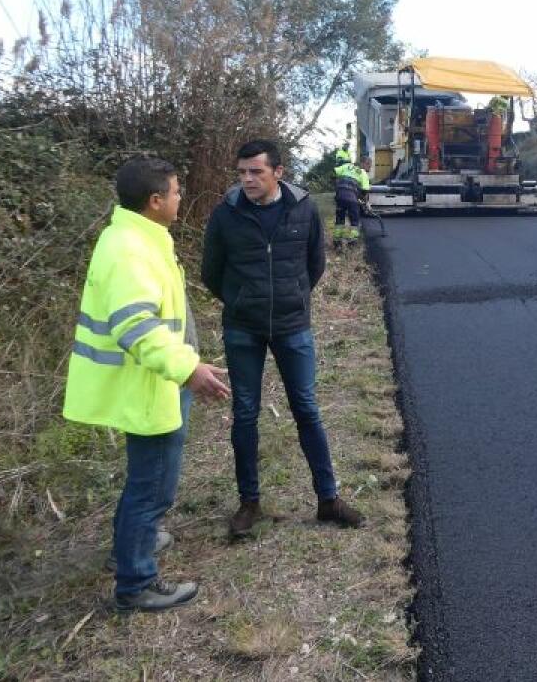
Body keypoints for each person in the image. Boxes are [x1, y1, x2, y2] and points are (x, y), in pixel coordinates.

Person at [63, 156, 231, 613]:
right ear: (155, 201)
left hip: (159, 376)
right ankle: (135, 581)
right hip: (150, 383)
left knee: (146, 479)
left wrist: (188, 359)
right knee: (153, 485)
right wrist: (189, 370)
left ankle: (131, 545)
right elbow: (136, 327)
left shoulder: (141, 237)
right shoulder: (130, 249)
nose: (181, 199)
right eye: (176, 192)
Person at [201, 139, 364, 538]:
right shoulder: (226, 214)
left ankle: (328, 500)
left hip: (293, 327)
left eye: (255, 171)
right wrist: (242, 300)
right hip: (243, 328)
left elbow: (315, 263)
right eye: (241, 172)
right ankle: (249, 503)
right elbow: (211, 272)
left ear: (279, 172)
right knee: (245, 413)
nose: (247, 180)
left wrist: (293, 296)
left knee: (307, 409)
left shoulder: (303, 209)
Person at [332, 148, 367, 248]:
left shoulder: (345, 166)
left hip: (340, 197)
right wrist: (362, 200)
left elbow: (333, 173)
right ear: (363, 164)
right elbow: (365, 189)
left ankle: (337, 242)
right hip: (352, 199)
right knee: (354, 221)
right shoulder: (362, 173)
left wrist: (336, 185)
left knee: (339, 220)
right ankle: (352, 243)